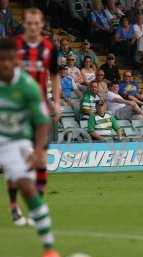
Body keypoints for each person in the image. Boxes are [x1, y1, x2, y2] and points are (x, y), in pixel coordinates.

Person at [0, 37, 60, 257]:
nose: (5, 64)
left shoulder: (27, 86)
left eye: (9, 59)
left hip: (15, 141)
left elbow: (42, 120)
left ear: (16, 61)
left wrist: (37, 151)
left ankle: (48, 247)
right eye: (1, 60)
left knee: (26, 186)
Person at [10, 8, 61, 226]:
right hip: (17, 110)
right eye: (29, 23)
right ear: (25, 24)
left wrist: (56, 102)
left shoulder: (50, 48)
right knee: (17, 163)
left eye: (36, 23)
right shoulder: (14, 46)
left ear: (41, 24)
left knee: (41, 159)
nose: (32, 26)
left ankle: (37, 204)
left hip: (39, 110)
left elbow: (55, 76)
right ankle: (14, 207)